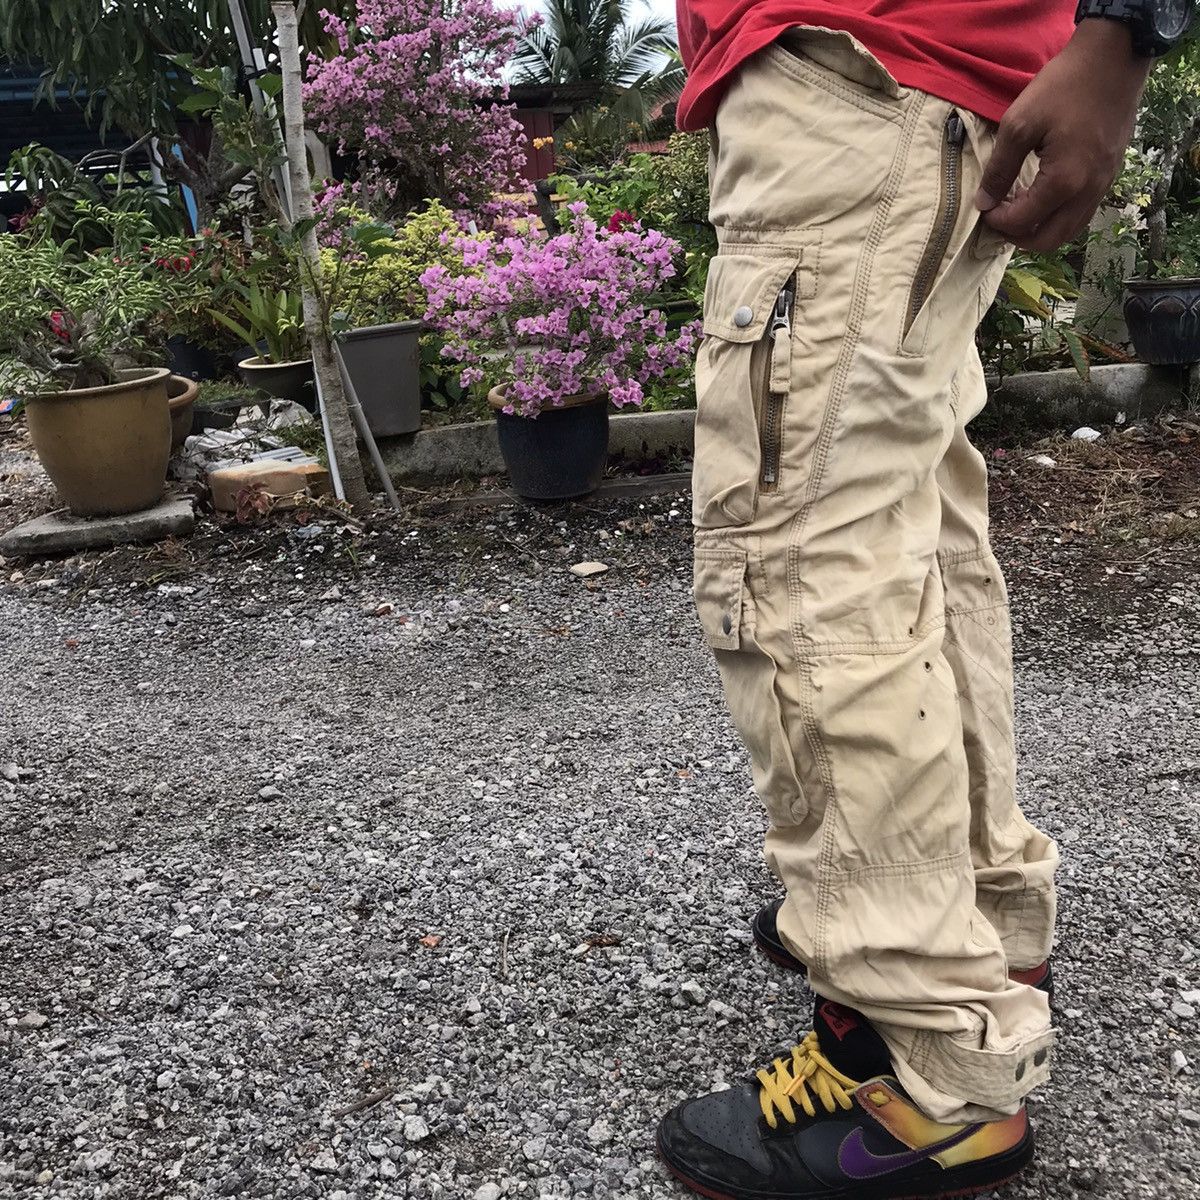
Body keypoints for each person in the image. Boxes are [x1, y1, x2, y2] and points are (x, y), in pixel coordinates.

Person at [660, 2, 1191, 1197]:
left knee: (800, 575)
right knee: (910, 554)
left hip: (866, 85)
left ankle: (930, 1067)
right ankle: (981, 930)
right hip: (897, 92)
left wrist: (1123, 37)